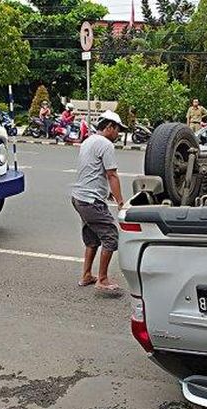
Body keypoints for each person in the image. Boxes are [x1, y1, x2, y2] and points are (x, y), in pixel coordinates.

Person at [71, 110, 128, 293]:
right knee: (111, 236)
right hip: (90, 201)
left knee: (92, 238)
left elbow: (93, 171)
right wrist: (120, 201)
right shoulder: (105, 144)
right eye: (117, 129)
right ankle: (102, 279)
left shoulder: (89, 140)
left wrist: (106, 193)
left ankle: (86, 275)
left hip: (80, 197)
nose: (118, 134)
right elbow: (112, 174)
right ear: (109, 127)